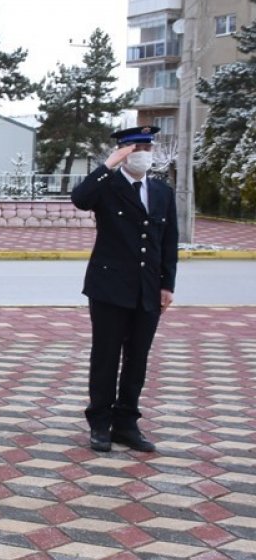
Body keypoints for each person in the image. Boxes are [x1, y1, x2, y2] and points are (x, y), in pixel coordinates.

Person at [71, 125, 178, 453]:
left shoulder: (161, 191)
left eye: (147, 146)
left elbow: (168, 241)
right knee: (105, 356)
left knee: (137, 358)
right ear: (122, 150)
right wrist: (109, 165)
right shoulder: (108, 186)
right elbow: (80, 199)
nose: (143, 152)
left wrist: (167, 284)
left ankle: (127, 423)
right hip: (109, 288)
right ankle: (100, 422)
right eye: (136, 147)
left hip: (147, 288)